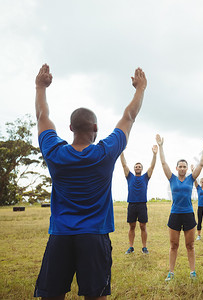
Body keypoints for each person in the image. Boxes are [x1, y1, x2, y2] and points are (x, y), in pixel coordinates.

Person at [34, 64, 147, 299]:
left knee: (51, 295)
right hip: (94, 238)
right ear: (95, 128)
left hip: (60, 236)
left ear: (70, 128)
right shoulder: (104, 153)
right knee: (95, 295)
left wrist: (40, 86)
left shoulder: (55, 153)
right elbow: (129, 117)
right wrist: (140, 89)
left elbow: (42, 116)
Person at [156, 134, 203, 281]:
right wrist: (161, 146)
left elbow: (200, 165)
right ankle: (171, 273)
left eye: (184, 166)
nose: (182, 168)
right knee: (174, 245)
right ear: (176, 168)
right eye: (180, 166)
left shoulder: (191, 178)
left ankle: (192, 272)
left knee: (190, 245)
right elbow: (163, 163)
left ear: (187, 168)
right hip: (175, 214)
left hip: (188, 215)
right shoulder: (172, 178)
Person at [120, 146, 157, 255]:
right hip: (131, 204)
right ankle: (131, 247)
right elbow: (124, 165)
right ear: (134, 168)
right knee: (132, 226)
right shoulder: (129, 176)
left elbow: (152, 166)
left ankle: (144, 247)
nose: (137, 167)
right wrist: (121, 151)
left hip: (142, 204)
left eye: (139, 166)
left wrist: (154, 154)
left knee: (142, 226)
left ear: (141, 169)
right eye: (136, 166)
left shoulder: (146, 177)